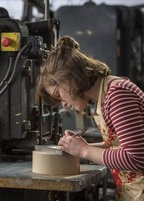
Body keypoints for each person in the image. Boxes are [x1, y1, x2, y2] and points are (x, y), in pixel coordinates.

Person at [36, 35, 144, 201]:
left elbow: (136, 158)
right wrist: (79, 147)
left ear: (70, 79)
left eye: (59, 95)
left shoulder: (118, 96)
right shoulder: (108, 95)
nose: (63, 104)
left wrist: (84, 151)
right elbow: (119, 148)